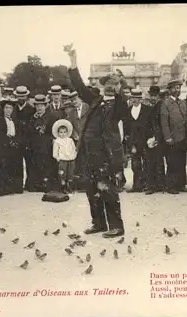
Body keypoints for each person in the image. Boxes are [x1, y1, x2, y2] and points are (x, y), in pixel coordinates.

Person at [67, 45, 127, 238]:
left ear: (118, 86)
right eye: (106, 82)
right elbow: (78, 85)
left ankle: (116, 226)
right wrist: (73, 61)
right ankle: (99, 223)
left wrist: (120, 86)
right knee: (91, 189)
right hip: (88, 153)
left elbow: (122, 106)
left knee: (107, 189)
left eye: (113, 83)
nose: (109, 85)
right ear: (101, 85)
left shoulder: (119, 104)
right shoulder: (94, 99)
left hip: (105, 155)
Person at [160, 79, 187, 194]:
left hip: (183, 137)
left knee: (182, 162)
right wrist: (168, 137)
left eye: (179, 88)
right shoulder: (166, 104)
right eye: (175, 88)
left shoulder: (182, 103)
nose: (177, 90)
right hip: (172, 138)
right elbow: (164, 122)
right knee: (172, 162)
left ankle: (181, 184)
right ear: (170, 90)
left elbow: (186, 120)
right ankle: (171, 186)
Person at [0, 98, 24, 196]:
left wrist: (15, 141)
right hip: (3, 146)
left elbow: (19, 134)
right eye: (6, 108)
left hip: (13, 146)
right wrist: (8, 141)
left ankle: (14, 186)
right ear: (3, 109)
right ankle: (3, 187)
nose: (8, 110)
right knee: (2, 164)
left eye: (10, 108)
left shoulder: (15, 121)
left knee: (15, 163)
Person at [26, 94, 57, 192]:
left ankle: (47, 184)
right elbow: (29, 131)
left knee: (47, 164)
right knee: (36, 164)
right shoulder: (32, 118)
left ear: (45, 106)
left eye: (41, 105)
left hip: (46, 145)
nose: (39, 108)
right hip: (35, 145)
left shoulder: (51, 117)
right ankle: (37, 184)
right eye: (37, 106)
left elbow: (54, 131)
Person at [124, 88, 151, 193]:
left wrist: (150, 138)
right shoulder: (127, 110)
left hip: (145, 141)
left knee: (147, 163)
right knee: (135, 164)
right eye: (132, 98)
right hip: (133, 142)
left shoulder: (147, 109)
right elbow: (126, 126)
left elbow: (151, 125)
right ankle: (137, 185)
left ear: (140, 99)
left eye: (136, 98)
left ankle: (147, 185)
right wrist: (127, 138)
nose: (134, 100)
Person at [13, 85, 36, 190]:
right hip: (17, 139)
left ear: (26, 97)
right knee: (17, 163)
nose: (21, 98)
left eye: (23, 96)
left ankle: (30, 184)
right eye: (19, 96)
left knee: (30, 163)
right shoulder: (13, 108)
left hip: (28, 140)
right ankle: (18, 185)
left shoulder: (32, 109)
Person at [145, 86, 166, 195]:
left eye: (155, 96)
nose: (153, 97)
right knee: (150, 162)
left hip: (158, 137)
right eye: (151, 95)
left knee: (158, 161)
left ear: (158, 96)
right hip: (148, 138)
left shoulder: (161, 106)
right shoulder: (148, 106)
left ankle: (160, 184)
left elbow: (161, 123)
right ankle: (151, 185)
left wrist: (156, 137)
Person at [52, 119, 77, 193]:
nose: (63, 134)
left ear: (67, 132)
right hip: (62, 160)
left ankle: (69, 186)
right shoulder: (57, 141)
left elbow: (73, 148)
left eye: (64, 132)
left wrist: (74, 155)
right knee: (62, 173)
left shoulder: (70, 140)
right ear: (58, 133)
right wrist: (58, 158)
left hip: (71, 159)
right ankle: (62, 187)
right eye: (61, 132)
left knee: (70, 173)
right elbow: (55, 152)